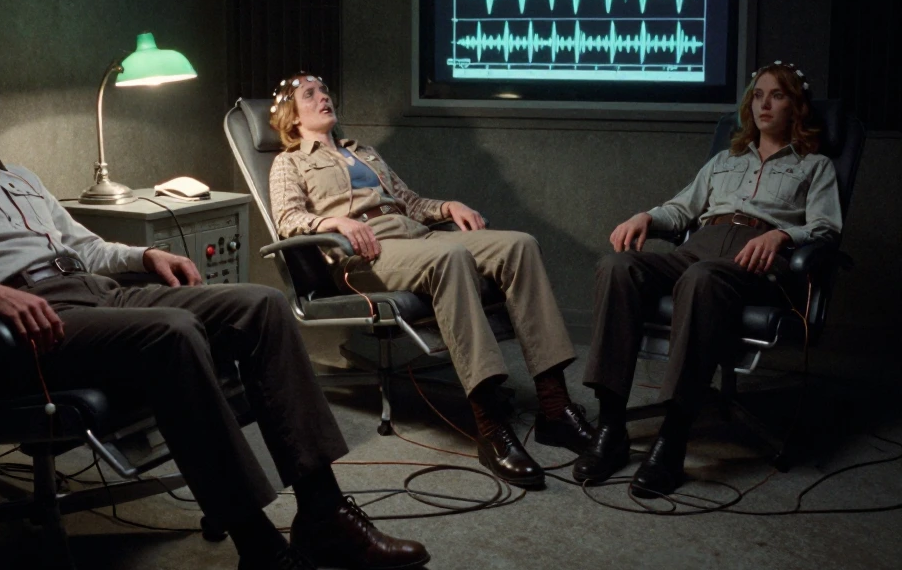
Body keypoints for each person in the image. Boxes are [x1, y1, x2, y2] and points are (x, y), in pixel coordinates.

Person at [0, 55, 431, 570]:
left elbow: (86, 247)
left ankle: (323, 514)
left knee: (261, 305)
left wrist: (143, 256)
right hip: (28, 325)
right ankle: (263, 557)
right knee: (172, 330)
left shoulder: (17, 177)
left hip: (96, 293)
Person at [267, 73, 593, 489]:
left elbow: (410, 202)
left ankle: (555, 406)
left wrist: (447, 207)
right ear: (293, 118)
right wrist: (335, 222)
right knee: (451, 257)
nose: (323, 98)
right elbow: (288, 218)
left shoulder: (363, 152)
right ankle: (490, 424)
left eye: (325, 91)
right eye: (309, 95)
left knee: (520, 246)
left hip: (414, 235)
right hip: (362, 254)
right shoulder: (289, 162)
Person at [575, 61, 842, 497]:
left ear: (795, 106)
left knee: (702, 278)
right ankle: (611, 426)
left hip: (756, 258)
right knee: (617, 267)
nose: (764, 104)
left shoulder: (815, 166)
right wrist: (646, 216)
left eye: (777, 95)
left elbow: (826, 229)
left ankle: (672, 438)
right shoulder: (724, 160)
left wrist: (781, 235)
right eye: (758, 95)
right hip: (700, 245)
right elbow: (681, 209)